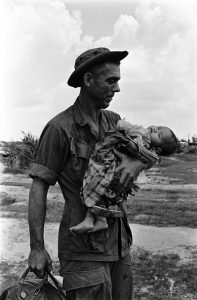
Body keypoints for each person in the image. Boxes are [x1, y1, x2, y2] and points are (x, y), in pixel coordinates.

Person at [28, 47, 149, 300]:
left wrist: (139, 163)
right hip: (82, 251)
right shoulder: (59, 128)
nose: (117, 89)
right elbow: (38, 187)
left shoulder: (114, 121)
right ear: (88, 80)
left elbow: (149, 146)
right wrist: (37, 248)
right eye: (111, 81)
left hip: (119, 245)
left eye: (118, 81)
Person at [69, 120, 178, 234]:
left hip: (113, 172)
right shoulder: (150, 155)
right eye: (159, 127)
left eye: (159, 135)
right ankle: (94, 220)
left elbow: (126, 128)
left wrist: (121, 125)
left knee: (97, 189)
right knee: (101, 195)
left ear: (158, 149)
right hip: (117, 174)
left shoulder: (144, 138)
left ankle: (95, 220)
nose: (155, 129)